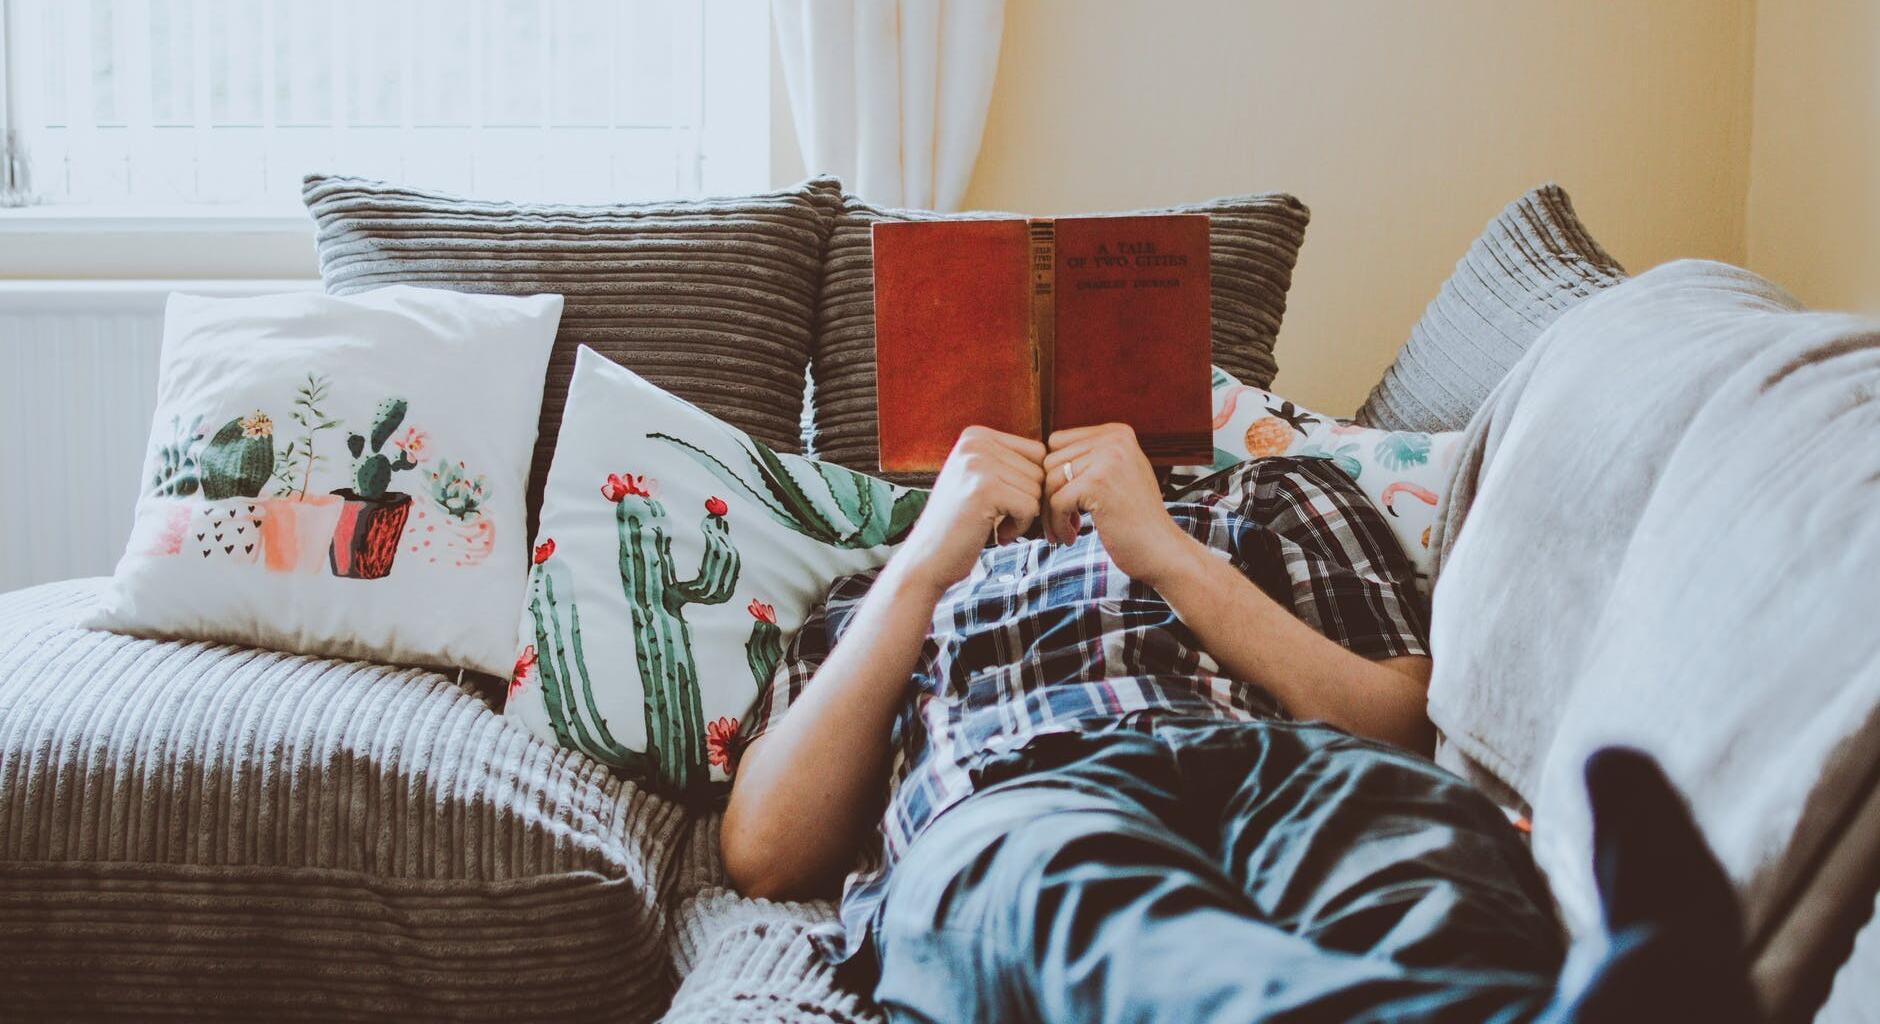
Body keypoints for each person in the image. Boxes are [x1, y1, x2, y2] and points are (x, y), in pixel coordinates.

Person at [722, 424, 1755, 1023]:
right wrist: (919, 565)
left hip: (1285, 767)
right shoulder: (869, 594)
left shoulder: (1274, 491)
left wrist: (1165, 548)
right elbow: (764, 852)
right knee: (1092, 913)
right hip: (1013, 795)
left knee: (1424, 871)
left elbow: (1395, 728)